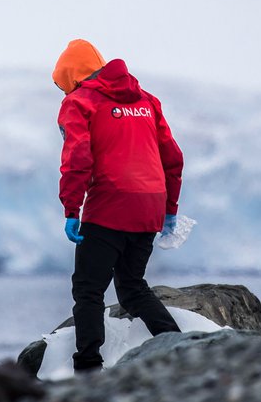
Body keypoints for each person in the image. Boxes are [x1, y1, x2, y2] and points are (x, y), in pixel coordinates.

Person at [52, 39, 183, 373]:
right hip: (150, 207)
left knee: (88, 289)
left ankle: (88, 366)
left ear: (70, 76)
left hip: (109, 205)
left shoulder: (79, 102)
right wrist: (169, 208)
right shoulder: (146, 100)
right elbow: (172, 157)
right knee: (133, 286)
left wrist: (71, 210)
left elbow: (77, 158)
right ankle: (179, 346)